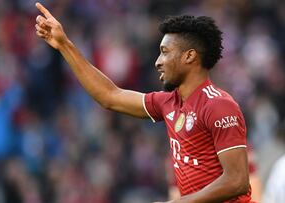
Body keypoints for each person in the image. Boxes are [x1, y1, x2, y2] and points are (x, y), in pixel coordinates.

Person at [34, 2, 252, 202]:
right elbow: (109, 96)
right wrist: (64, 45)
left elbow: (237, 181)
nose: (158, 62)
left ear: (190, 56)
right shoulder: (168, 103)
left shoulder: (219, 106)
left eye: (165, 53)